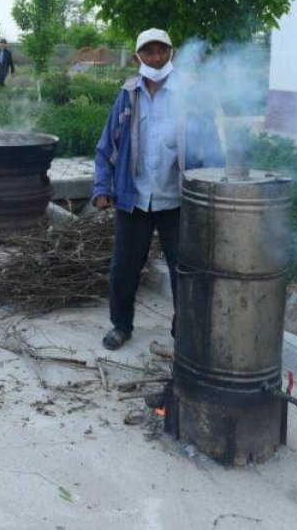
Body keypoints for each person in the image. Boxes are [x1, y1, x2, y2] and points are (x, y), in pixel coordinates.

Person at [92, 28, 224, 351]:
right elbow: (107, 146)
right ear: (138, 57)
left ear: (171, 53)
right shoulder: (128, 95)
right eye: (149, 52)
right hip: (134, 198)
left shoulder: (189, 94)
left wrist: (215, 189)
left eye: (161, 51)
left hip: (177, 200)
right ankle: (121, 325)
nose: (156, 58)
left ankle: (184, 332)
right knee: (124, 269)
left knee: (185, 270)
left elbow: (211, 145)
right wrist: (102, 187)